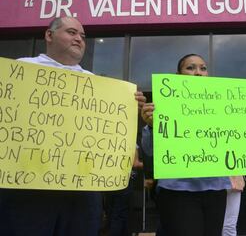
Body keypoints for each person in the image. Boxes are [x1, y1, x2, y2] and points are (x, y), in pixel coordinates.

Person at [0, 17, 146, 236]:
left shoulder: (98, 85)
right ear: (49, 36)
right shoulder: (19, 70)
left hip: (82, 191)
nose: (79, 39)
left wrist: (129, 107)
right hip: (27, 188)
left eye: (83, 36)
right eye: (71, 32)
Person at [141, 53, 231, 236]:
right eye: (190, 68)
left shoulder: (225, 105)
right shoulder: (164, 104)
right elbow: (150, 150)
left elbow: (241, 139)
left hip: (216, 189)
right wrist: (151, 126)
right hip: (177, 191)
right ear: (178, 74)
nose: (198, 72)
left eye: (203, 68)